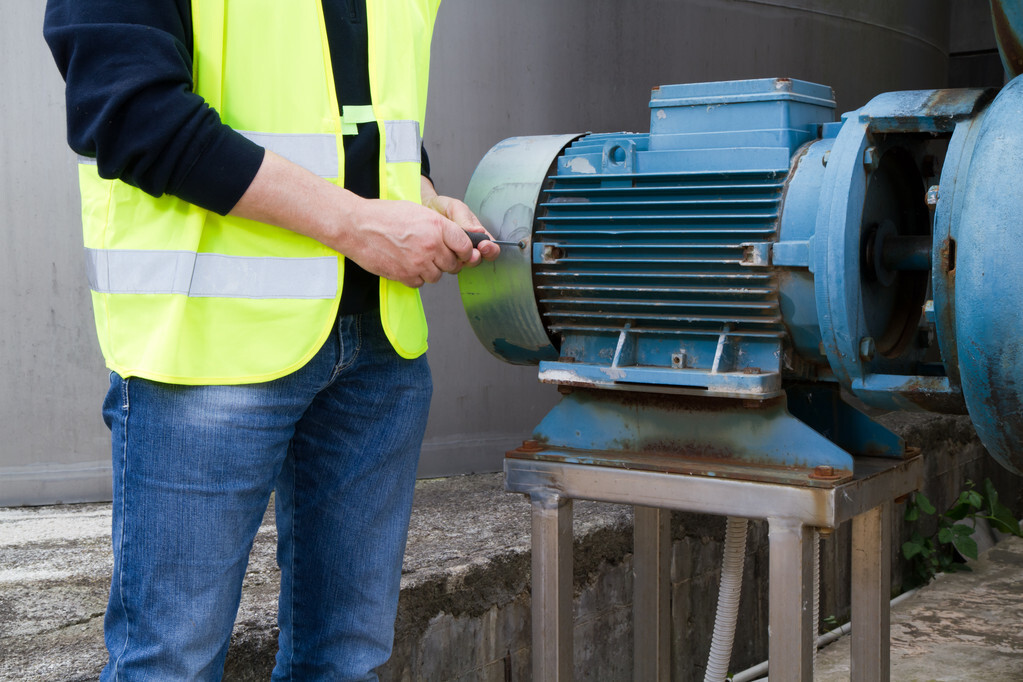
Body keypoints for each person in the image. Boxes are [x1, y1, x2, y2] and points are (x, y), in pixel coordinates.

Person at [44, 1, 498, 679]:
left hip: (379, 345)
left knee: (346, 663)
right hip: (209, 349)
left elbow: (358, 101)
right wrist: (358, 225)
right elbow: (132, 114)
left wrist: (418, 193)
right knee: (172, 665)